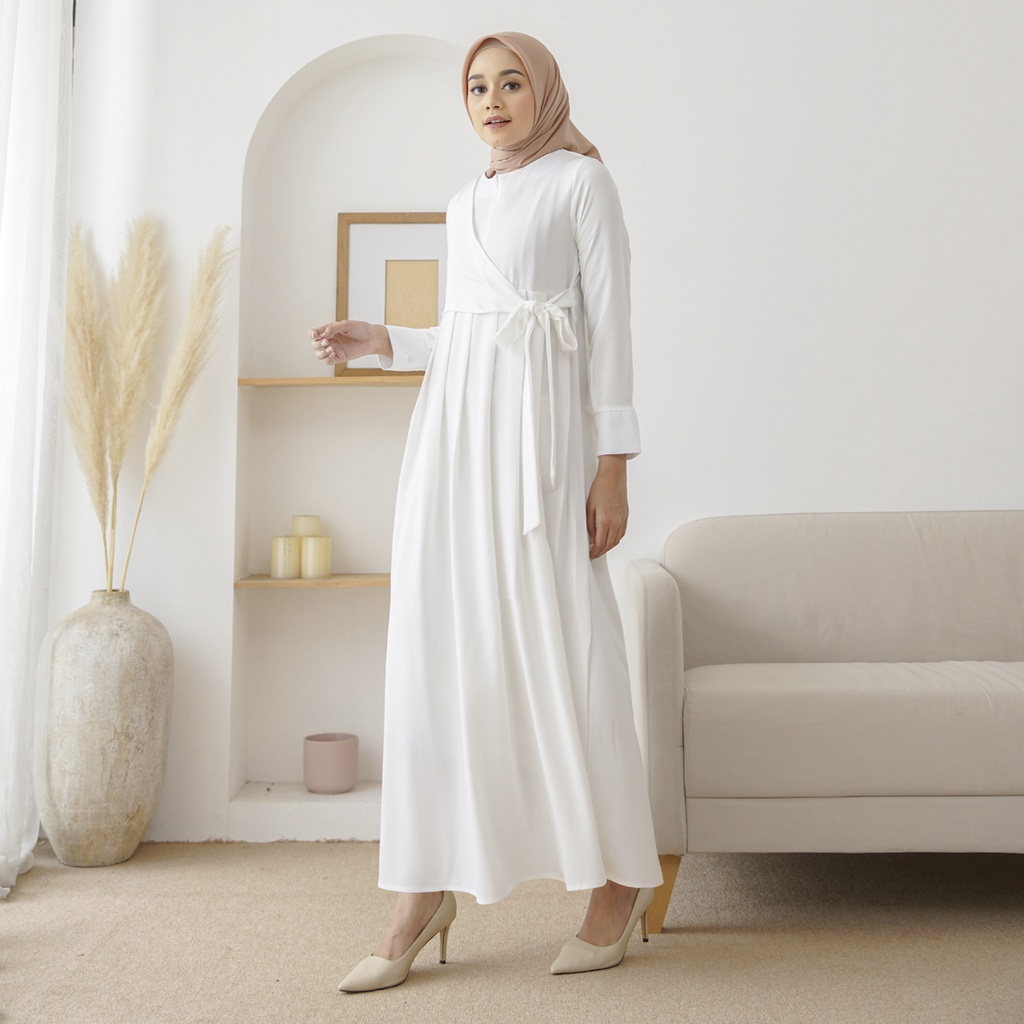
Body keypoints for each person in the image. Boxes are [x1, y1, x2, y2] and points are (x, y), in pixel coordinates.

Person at [310, 31, 662, 992]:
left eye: (511, 83)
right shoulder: (463, 200)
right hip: (451, 446)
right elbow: (468, 333)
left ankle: (620, 881)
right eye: (477, 86)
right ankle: (420, 891)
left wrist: (613, 468)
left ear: (544, 92)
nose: (493, 99)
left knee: (569, 647)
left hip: (542, 455)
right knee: (438, 650)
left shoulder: (583, 184)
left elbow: (611, 333)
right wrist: (387, 339)